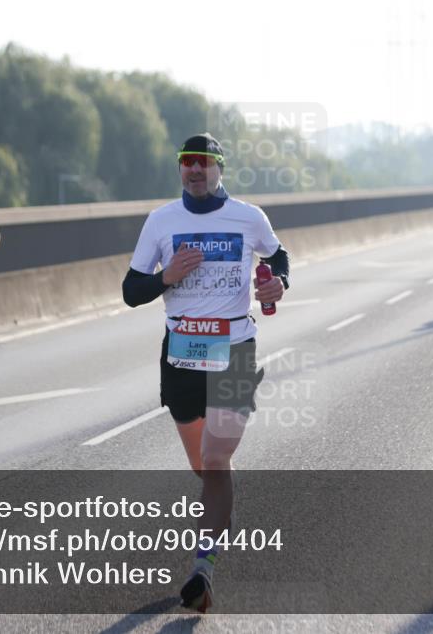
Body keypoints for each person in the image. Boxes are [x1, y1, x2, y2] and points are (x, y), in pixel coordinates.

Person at [121, 133, 289, 612]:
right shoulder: (161, 222)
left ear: (220, 168)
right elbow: (132, 290)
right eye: (186, 162)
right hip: (182, 355)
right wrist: (166, 277)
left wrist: (278, 283)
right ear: (180, 170)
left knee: (216, 459)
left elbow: (277, 256)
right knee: (204, 467)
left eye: (204, 162)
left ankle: (203, 568)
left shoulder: (248, 217)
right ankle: (220, 512)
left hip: (235, 348)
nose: (194, 170)